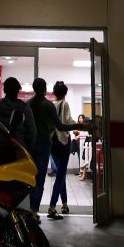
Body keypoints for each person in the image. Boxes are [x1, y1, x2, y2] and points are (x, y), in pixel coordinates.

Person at [27, 78, 84, 218]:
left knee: (34, 178)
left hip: (34, 144)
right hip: (52, 143)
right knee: (50, 178)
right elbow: (62, 125)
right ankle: (43, 209)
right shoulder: (52, 105)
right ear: (46, 89)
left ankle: (59, 205)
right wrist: (79, 126)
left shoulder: (28, 104)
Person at [48, 81, 75, 218]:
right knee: (60, 175)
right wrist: (80, 125)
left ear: (54, 93)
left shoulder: (51, 105)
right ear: (65, 93)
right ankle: (52, 206)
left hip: (53, 143)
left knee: (61, 173)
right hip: (63, 142)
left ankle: (64, 204)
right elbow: (68, 120)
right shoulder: (64, 104)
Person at [0, 77, 36, 151]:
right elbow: (32, 132)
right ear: (18, 90)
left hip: (0, 148)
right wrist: (28, 149)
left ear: (4, 90)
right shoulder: (24, 108)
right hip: (19, 147)